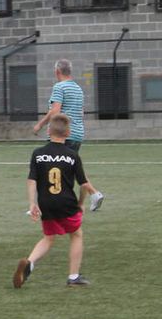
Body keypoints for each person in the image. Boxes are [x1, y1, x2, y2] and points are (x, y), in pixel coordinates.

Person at [14, 113, 102, 288]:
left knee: (48, 237)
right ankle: (73, 277)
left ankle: (29, 264)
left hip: (46, 203)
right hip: (66, 203)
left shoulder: (38, 154)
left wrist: (32, 203)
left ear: (48, 131)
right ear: (68, 133)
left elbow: (32, 180)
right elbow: (84, 184)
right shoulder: (72, 155)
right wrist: (80, 203)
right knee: (76, 234)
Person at [32, 58, 104, 212]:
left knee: (47, 167)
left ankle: (41, 205)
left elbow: (55, 111)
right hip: (77, 134)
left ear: (57, 71)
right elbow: (81, 112)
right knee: (72, 169)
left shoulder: (59, 87)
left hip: (62, 134)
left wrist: (40, 124)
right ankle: (94, 194)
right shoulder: (78, 88)